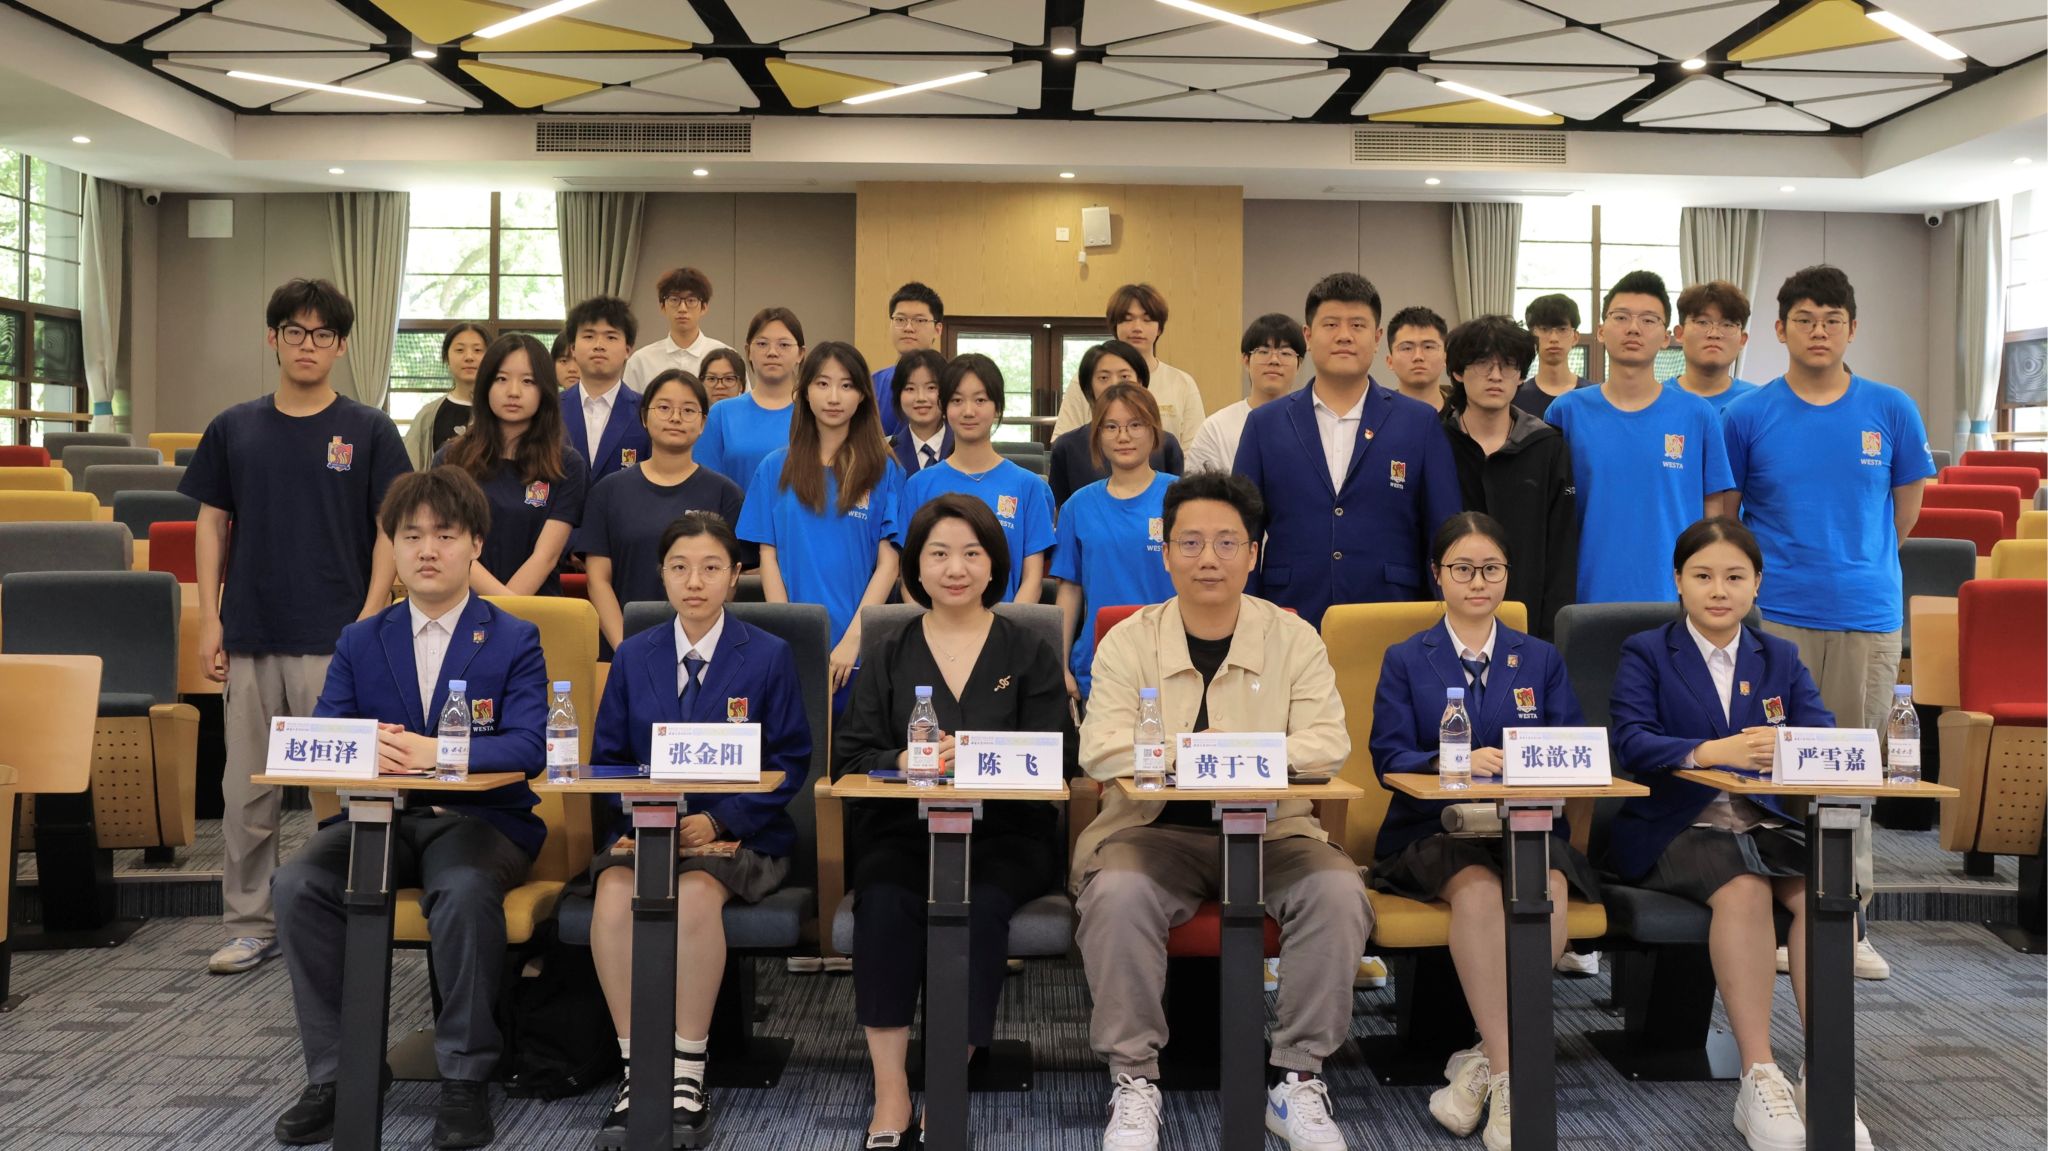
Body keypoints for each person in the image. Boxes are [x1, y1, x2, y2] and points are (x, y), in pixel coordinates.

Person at [1075, 471, 1367, 1151]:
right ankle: (1134, 1079)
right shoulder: (1129, 639)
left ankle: (1298, 1077)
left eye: (1227, 542)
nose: (1209, 558)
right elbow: (1100, 746)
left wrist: (1235, 753)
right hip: (1155, 831)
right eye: (1192, 542)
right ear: (1166, 552)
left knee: (1337, 891)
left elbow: (1328, 744)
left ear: (1253, 553)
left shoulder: (1293, 638)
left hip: (1273, 829)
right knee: (1116, 894)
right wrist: (1189, 753)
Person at [270, 467, 546, 1150]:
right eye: (411, 535)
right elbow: (324, 734)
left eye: (445, 535)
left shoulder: (513, 636)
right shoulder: (361, 638)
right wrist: (372, 745)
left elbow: (530, 745)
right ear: (390, 546)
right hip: (377, 820)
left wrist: (433, 752)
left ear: (475, 545)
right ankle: (339, 1074)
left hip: (481, 822)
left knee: (463, 889)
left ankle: (464, 1078)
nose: (427, 550)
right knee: (298, 883)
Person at [1605, 517, 1873, 1151]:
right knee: (1744, 887)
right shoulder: (1647, 651)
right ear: (1678, 581)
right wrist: (1709, 750)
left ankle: (1825, 1074)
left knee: (1827, 894)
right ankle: (1759, 1074)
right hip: (1677, 824)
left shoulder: (1778, 655)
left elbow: (1822, 734)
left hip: (1764, 821)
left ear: (1757, 584)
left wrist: (1787, 746)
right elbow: (1630, 741)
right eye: (1703, 576)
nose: (1719, 590)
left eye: (1734, 577)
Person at [179, 278, 409, 976]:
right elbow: (212, 524)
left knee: (345, 789)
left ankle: (348, 913)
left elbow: (390, 529)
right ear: (272, 338)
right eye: (294, 331)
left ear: (342, 346)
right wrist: (210, 619)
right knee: (246, 790)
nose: (308, 345)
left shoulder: (369, 428)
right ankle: (251, 923)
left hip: (336, 638)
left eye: (322, 334)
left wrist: (369, 618)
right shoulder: (234, 426)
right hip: (251, 632)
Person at [833, 495, 1067, 1149]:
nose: (955, 568)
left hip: (1005, 834)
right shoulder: (889, 649)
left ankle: (945, 1081)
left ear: (994, 565)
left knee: (976, 905)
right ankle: (890, 1090)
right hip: (905, 830)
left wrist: (975, 754)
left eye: (971, 553)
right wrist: (902, 758)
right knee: (884, 901)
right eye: (938, 553)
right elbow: (850, 756)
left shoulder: (1028, 647)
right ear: (916, 565)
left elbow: (1060, 755)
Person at [1723, 264, 1934, 983]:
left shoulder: (1891, 408)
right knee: (1772, 764)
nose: (1819, 331)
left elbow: (1904, 513)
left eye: (1833, 320)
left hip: (1866, 613)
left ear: (1852, 328)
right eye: (1805, 319)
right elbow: (1728, 521)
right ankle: (1783, 914)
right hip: (1776, 615)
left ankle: (1849, 916)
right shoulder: (1748, 414)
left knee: (1852, 766)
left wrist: (1857, 563)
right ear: (1780, 330)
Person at [1369, 512, 1595, 1150]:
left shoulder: (1540, 658)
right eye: (1463, 569)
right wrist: (1457, 760)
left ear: (1507, 577)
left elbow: (1572, 747)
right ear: (1437, 575)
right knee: (1477, 891)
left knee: (1548, 887)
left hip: (1525, 828)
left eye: (1491, 569)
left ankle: (1486, 1061)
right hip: (1431, 830)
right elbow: (1388, 755)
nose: (1477, 581)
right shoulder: (1407, 658)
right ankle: (1513, 1072)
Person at [586, 511, 809, 1150]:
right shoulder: (634, 655)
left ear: (735, 576)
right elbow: (607, 761)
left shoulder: (767, 655)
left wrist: (718, 820)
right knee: (612, 896)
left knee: (694, 896)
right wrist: (645, 817)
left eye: (711, 568)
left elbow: (792, 761)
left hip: (744, 835)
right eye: (680, 568)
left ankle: (685, 1071)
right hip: (649, 829)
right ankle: (639, 1068)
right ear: (662, 575)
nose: (694, 582)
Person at [1234, 272, 1460, 628]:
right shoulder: (1265, 424)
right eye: (1330, 324)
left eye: (1357, 324)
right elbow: (1240, 530)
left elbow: (1443, 532)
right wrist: (1242, 617)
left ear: (1377, 338)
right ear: (1308, 336)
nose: (1344, 335)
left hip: (1393, 611)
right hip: (1288, 613)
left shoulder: (1419, 423)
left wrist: (1444, 622)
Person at [1546, 271, 1736, 605]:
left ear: (1666, 337)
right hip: (1585, 598)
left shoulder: (1697, 414)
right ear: (1601, 331)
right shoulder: (1566, 412)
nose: (1634, 328)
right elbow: (1549, 513)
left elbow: (1713, 512)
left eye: (1648, 320)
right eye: (1621, 317)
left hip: (1673, 598)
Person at [737, 341, 904, 708]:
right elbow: (768, 558)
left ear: (862, 396)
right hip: (791, 646)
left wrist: (853, 640)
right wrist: (788, 633)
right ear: (805, 392)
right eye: (822, 383)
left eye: (847, 385)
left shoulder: (884, 470)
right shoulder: (774, 468)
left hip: (859, 646)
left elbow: (889, 565)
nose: (834, 397)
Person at [583, 369, 747, 654]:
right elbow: (598, 580)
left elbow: (731, 580)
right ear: (644, 417)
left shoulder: (726, 494)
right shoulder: (608, 491)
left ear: (703, 423)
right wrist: (626, 649)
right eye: (664, 408)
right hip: (622, 645)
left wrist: (697, 645)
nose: (675, 418)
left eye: (688, 410)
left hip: (703, 651)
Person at [1440, 315, 1577, 639]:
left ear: (1521, 376)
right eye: (1482, 364)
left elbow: (1561, 550)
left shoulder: (1547, 447)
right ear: (1457, 372)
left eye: (1508, 365)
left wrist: (1551, 635)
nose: (1495, 376)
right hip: (1445, 620)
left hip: (1528, 619)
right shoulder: (1435, 442)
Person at [434, 333, 586, 597]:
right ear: (485, 385)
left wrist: (508, 612)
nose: (513, 392)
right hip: (463, 606)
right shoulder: (450, 459)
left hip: (537, 610)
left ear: (545, 390)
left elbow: (546, 557)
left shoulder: (567, 465)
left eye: (528, 381)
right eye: (501, 379)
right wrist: (503, 610)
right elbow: (450, 546)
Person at [1052, 383, 1178, 700]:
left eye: (1135, 425)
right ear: (1097, 435)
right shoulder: (1077, 507)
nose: (1123, 436)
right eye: (1111, 427)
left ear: (1154, 430)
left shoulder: (1182, 497)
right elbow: (1070, 590)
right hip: (1099, 661)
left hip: (1172, 658)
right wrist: (1060, 665)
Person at [900, 354, 1054, 603]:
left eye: (980, 400)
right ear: (944, 407)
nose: (968, 411)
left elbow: (1032, 580)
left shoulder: (1029, 487)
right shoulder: (918, 486)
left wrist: (1003, 627)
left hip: (1005, 624)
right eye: (957, 400)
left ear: (998, 407)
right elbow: (909, 579)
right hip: (934, 624)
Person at [1052, 283, 1207, 444]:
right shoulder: (1087, 379)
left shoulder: (1182, 383)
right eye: (1127, 319)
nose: (1137, 327)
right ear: (1115, 326)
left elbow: (1194, 450)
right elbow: (1063, 443)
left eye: (1147, 320)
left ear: (1159, 329)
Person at [1048, 341, 1185, 507]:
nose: (1115, 384)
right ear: (1089, 387)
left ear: (1141, 383)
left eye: (1125, 376)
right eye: (1103, 378)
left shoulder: (1166, 443)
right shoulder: (1067, 446)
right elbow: (1060, 509)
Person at [698, 307, 805, 497]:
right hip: (734, 516)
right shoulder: (722, 414)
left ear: (800, 353)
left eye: (784, 345)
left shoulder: (813, 412)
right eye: (762, 344)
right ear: (748, 351)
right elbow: (705, 488)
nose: (772, 352)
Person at [1185, 313, 1304, 475]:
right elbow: (1196, 487)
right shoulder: (1216, 428)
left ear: (1299, 364)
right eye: (1264, 351)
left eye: (1286, 353)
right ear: (1246, 360)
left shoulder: (1312, 423)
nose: (1274, 360)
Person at [559, 296, 651, 489]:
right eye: (589, 336)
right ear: (573, 348)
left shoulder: (647, 411)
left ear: (628, 350)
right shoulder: (549, 408)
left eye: (611, 337)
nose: (599, 345)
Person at [622, 266, 729, 393]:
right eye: (674, 300)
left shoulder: (726, 358)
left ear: (704, 307)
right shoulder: (641, 361)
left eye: (691, 300)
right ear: (662, 306)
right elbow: (629, 405)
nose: (682, 308)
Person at [404, 323, 489, 469]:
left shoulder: (502, 410)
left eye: (477, 350)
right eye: (460, 350)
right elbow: (410, 468)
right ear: (446, 358)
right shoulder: (429, 414)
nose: (469, 357)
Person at [1666, 281, 1760, 412]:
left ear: (1742, 340)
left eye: (1727, 324)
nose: (1714, 334)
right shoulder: (1653, 401)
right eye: (1702, 322)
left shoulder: (1759, 403)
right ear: (1680, 333)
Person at [870, 281, 946, 440]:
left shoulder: (951, 381)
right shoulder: (872, 383)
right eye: (900, 320)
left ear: (937, 329)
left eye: (919, 320)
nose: (908, 328)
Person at [1513, 293, 1591, 420]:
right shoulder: (1515, 398)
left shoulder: (1592, 397)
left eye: (1562, 329)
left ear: (1575, 337)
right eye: (1544, 329)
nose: (1554, 338)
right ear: (1532, 336)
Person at [885, 347, 952, 475]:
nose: (921, 398)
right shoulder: (885, 452)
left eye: (931, 388)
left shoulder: (964, 447)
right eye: (910, 389)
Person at [1385, 305, 1449, 411]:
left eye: (1428, 347)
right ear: (1390, 361)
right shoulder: (1375, 416)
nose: (1418, 356)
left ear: (1446, 358)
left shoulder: (1467, 413)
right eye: (1407, 348)